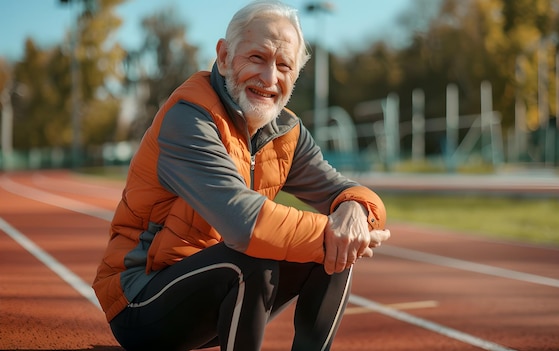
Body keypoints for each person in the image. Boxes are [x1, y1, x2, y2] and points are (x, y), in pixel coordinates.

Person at [92, 1, 390, 350]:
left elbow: (346, 190)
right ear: (223, 56)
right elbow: (243, 223)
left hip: (218, 296)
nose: (269, 78)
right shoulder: (188, 118)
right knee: (258, 255)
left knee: (340, 248)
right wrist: (332, 231)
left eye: (283, 65)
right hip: (141, 299)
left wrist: (354, 211)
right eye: (257, 58)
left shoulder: (286, 132)